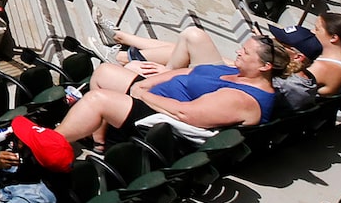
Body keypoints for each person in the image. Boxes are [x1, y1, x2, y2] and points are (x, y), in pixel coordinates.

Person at [55, 24, 297, 146]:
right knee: (106, 72)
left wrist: (143, 93)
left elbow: (185, 114)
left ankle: (49, 144)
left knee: (97, 99)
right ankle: (100, 141)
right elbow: (191, 70)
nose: (238, 53)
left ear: (265, 67)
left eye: (245, 52)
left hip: (162, 117)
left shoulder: (243, 100)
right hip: (156, 94)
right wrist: (150, 81)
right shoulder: (242, 71)